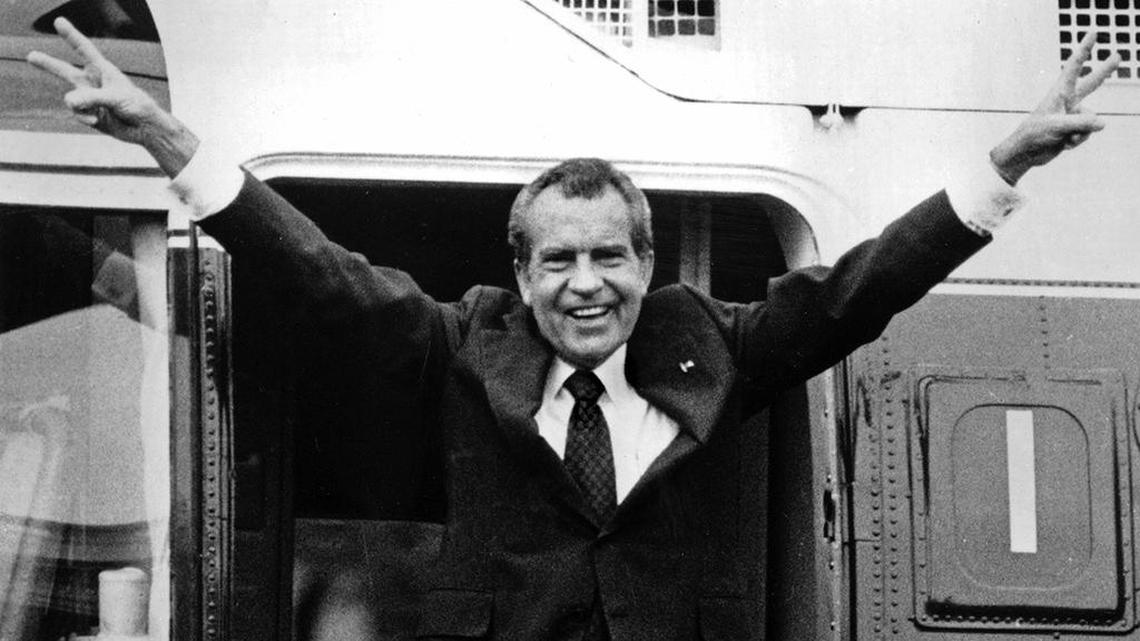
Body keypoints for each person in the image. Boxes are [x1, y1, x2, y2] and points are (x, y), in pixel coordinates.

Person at [25, 17, 1121, 641]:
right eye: (560, 259)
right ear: (520, 269)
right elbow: (323, 277)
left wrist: (1001, 170)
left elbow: (861, 290)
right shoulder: (467, 342)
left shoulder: (715, 340)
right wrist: (175, 146)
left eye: (610, 257)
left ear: (646, 264)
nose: (586, 284)